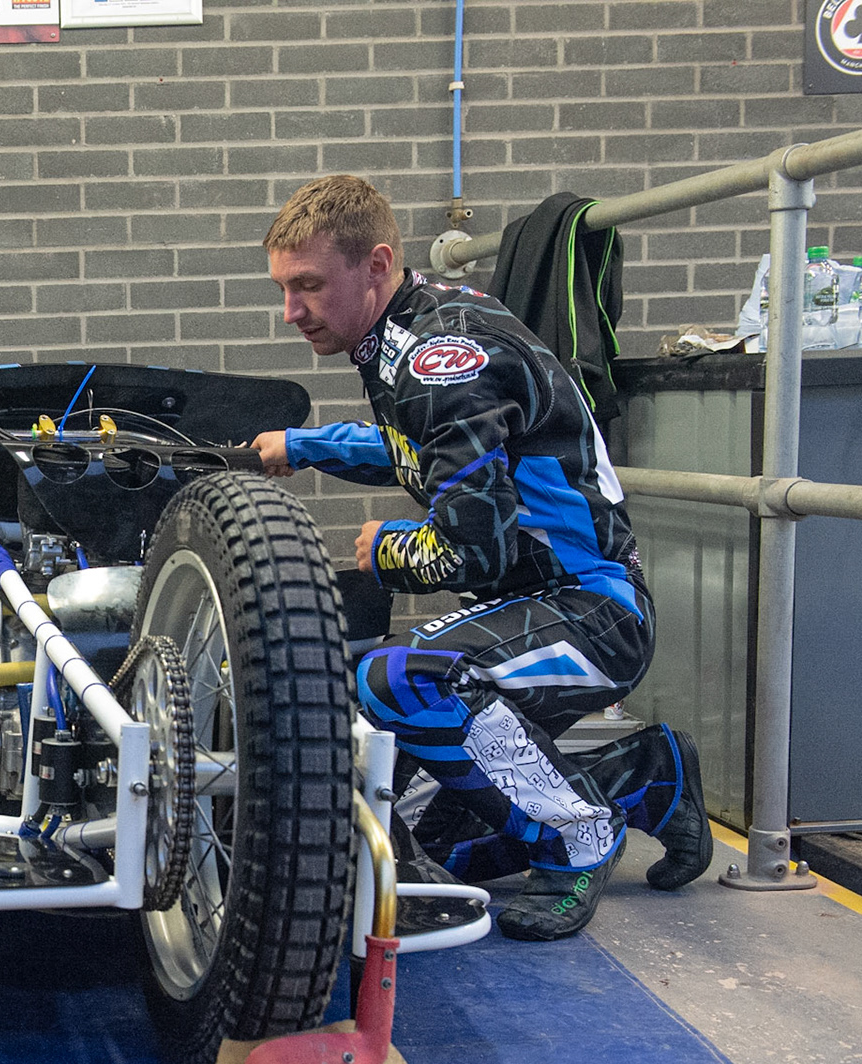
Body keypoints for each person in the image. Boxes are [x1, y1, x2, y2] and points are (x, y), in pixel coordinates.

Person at [252, 175, 710, 942]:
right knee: (429, 847)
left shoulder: (441, 361)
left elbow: (475, 546)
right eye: (283, 288)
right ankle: (646, 777)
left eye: (307, 286)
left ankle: (580, 838)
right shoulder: (413, 326)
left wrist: (389, 554)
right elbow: (421, 448)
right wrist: (304, 446)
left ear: (376, 264)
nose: (292, 312)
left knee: (397, 681)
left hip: (594, 613)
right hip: (542, 601)